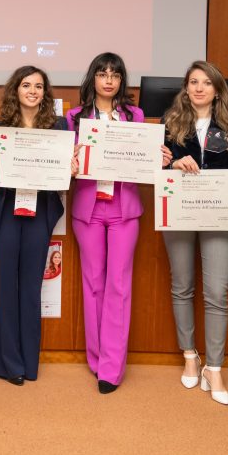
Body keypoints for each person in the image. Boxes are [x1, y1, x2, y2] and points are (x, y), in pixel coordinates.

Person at [67, 52, 167, 394]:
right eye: (102, 73)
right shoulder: (73, 117)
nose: (109, 79)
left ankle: (111, 367)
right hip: (88, 207)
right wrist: (71, 162)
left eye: (115, 74)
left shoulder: (135, 115)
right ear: (92, 78)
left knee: (119, 286)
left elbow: (142, 159)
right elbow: (66, 163)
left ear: (122, 81)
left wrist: (159, 157)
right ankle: (96, 360)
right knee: (92, 283)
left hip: (124, 208)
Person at [0, 66, 69, 386]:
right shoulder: (1, 127)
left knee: (30, 289)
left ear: (45, 93)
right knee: (4, 287)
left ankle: (30, 363)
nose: (32, 91)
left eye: (39, 86)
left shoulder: (58, 126)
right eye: (26, 85)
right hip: (7, 212)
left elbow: (63, 178)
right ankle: (7, 363)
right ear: (16, 90)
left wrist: (70, 167)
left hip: (39, 212)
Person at [160, 61, 228, 405]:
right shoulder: (170, 122)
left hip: (218, 213)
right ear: (185, 87)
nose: (198, 88)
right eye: (193, 82)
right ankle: (189, 356)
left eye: (206, 83)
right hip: (180, 210)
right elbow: (159, 165)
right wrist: (171, 163)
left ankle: (215, 367)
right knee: (182, 286)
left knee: (217, 292)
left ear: (217, 89)